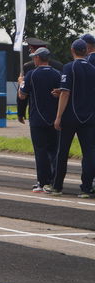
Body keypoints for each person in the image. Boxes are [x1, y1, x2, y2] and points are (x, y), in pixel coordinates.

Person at [48, 39, 95, 197]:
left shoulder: (69, 67)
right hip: (88, 118)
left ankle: (57, 186)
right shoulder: (92, 69)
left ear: (72, 50)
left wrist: (58, 116)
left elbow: (66, 92)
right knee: (89, 153)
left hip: (70, 117)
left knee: (62, 152)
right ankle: (86, 188)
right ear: (87, 51)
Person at [18, 47, 60, 193]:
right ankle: (55, 181)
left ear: (37, 58)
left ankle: (42, 182)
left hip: (37, 118)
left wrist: (21, 82)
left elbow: (22, 95)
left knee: (40, 151)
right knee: (54, 150)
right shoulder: (57, 74)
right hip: (54, 118)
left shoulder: (31, 74)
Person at [16, 37, 63, 123]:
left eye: (30, 50)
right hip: (55, 113)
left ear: (35, 52)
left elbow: (23, 93)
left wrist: (20, 113)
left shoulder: (28, 68)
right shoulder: (59, 66)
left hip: (36, 113)